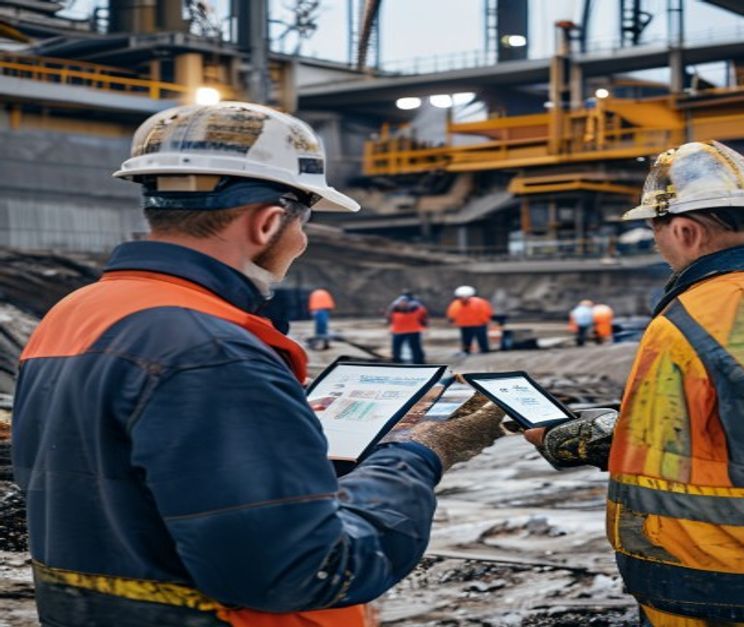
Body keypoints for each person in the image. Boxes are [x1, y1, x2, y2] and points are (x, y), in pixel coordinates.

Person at [12, 101, 506, 627]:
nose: (303, 241)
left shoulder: (79, 312)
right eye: (304, 224)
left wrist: (291, 445)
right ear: (270, 223)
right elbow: (303, 569)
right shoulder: (211, 351)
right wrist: (420, 452)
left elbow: (144, 479)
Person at [524, 141, 744, 627]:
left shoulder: (714, 311)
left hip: (723, 581)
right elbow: (735, 429)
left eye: (655, 231)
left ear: (685, 231)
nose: (657, 244)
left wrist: (575, 439)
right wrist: (591, 439)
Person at [446, 285, 492, 354]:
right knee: (466, 339)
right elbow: (452, 312)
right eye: (461, 297)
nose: (463, 299)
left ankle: (484, 349)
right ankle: (466, 350)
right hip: (465, 325)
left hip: (479, 324)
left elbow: (486, 312)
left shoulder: (479, 302)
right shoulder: (456, 304)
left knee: (481, 338)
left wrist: (485, 320)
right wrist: (452, 319)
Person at [386, 290, 428, 364]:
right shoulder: (417, 304)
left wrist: (390, 323)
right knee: (415, 347)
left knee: (397, 347)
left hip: (398, 329)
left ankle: (396, 361)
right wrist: (424, 325)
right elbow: (423, 316)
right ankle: (418, 361)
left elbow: (389, 316)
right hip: (412, 329)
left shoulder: (394, 304)